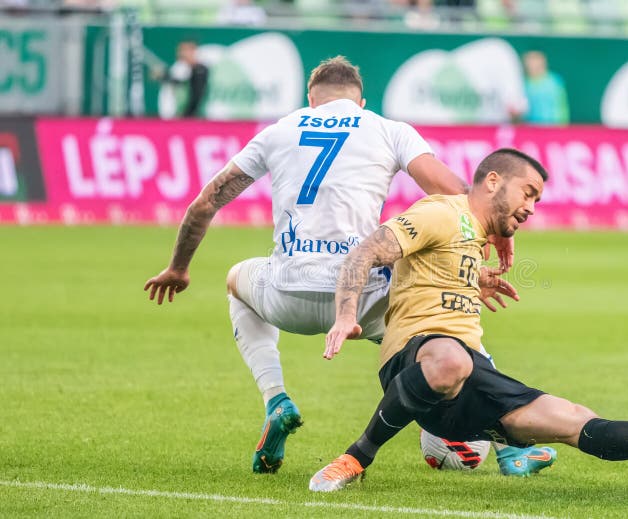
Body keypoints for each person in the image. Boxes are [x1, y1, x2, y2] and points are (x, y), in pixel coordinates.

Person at [143, 56, 520, 475]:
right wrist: (493, 236)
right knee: (449, 326)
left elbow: (206, 201)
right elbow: (456, 194)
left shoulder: (279, 130)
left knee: (237, 282)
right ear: (361, 102)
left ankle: (276, 400)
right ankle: (510, 448)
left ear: (311, 100)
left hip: (288, 297)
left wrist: (178, 268)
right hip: (369, 301)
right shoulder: (387, 129)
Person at [309, 148, 628, 491]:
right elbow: (366, 252)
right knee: (452, 360)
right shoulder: (441, 212)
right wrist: (345, 315)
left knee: (578, 421)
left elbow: (439, 270)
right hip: (417, 357)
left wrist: (473, 279)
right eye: (529, 193)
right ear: (492, 181)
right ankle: (355, 459)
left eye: (538, 200)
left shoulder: (474, 237)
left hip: (468, 383)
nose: (531, 208)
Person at [152, 41, 209, 118]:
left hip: (194, 114)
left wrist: (188, 114)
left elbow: (196, 95)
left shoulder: (200, 69)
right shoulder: (180, 66)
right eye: (181, 51)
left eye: (186, 51)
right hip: (176, 113)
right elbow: (175, 80)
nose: (182, 54)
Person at [515, 51, 569, 125]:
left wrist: (560, 125)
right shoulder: (523, 83)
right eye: (530, 62)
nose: (532, 65)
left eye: (535, 61)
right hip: (529, 127)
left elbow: (561, 107)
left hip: (552, 126)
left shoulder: (554, 81)